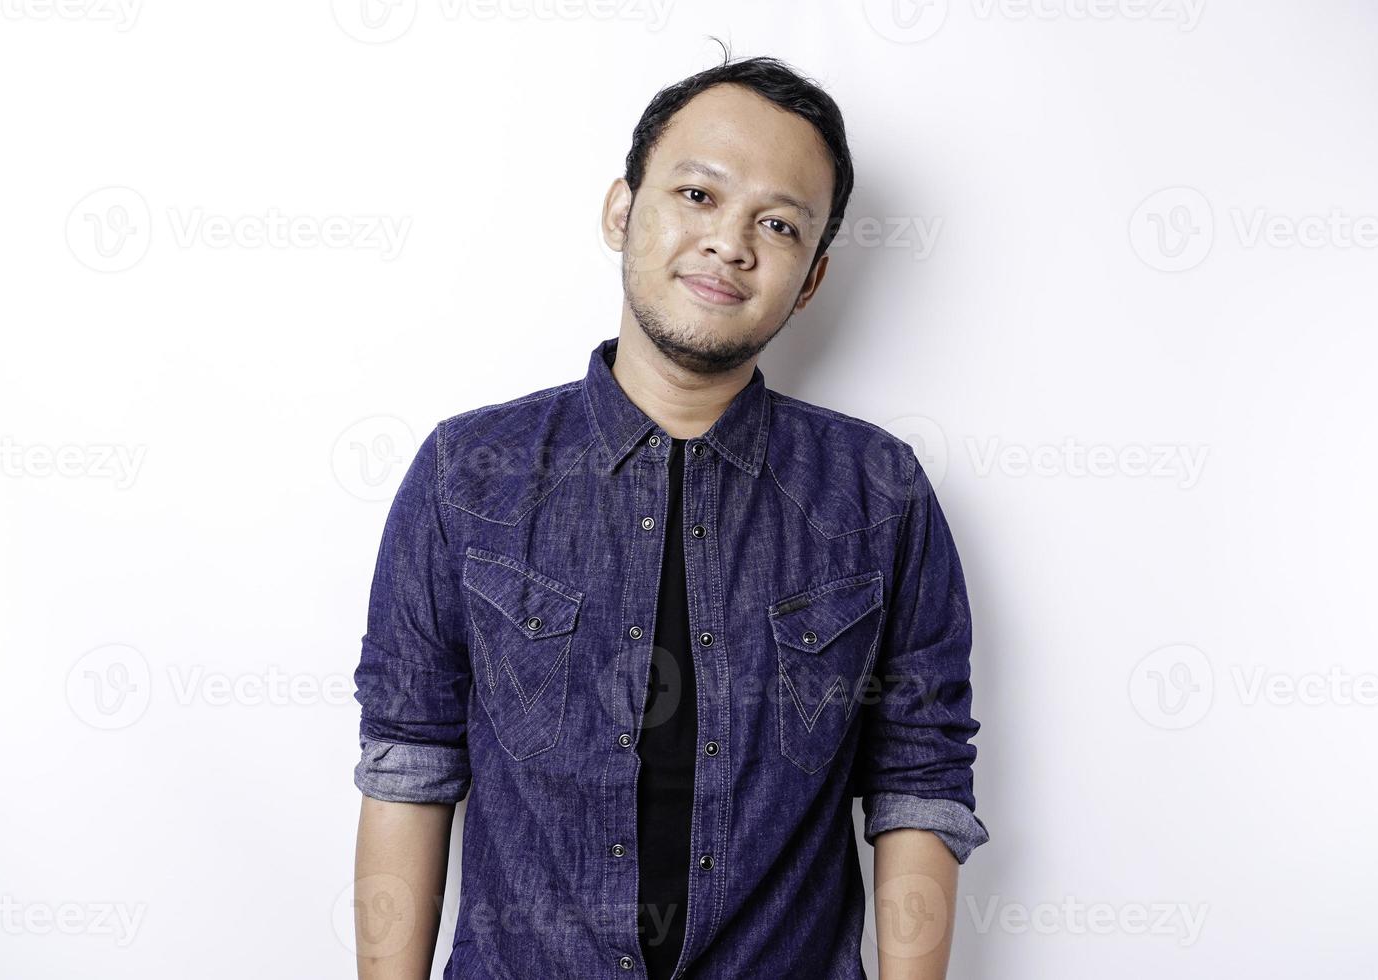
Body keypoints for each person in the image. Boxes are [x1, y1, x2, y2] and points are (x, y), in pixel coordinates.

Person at [351, 47, 989, 980]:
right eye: (698, 195)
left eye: (777, 223)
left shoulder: (877, 492)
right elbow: (409, 770)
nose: (731, 241)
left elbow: (918, 786)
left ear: (810, 278)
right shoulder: (467, 474)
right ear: (622, 210)